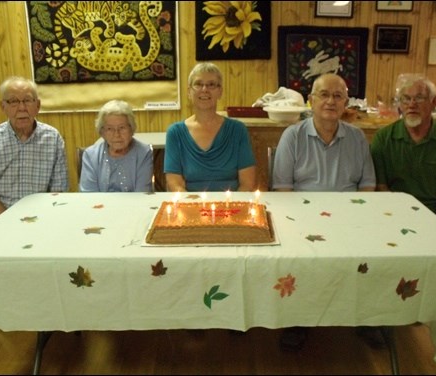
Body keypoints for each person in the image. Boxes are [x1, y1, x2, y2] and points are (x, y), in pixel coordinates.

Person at [272, 73, 376, 351]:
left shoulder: (357, 138)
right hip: (302, 219)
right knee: (301, 259)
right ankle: (297, 319)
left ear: (345, 103)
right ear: (311, 100)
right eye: (324, 95)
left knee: (373, 255)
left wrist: (359, 220)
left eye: (338, 95)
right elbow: (282, 189)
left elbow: (367, 186)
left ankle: (367, 318)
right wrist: (298, 224)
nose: (330, 101)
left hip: (350, 218)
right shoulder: (292, 136)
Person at [371, 74, 436, 234]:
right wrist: (402, 222)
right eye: (405, 99)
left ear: (434, 102)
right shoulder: (383, 138)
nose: (411, 105)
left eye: (419, 98)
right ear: (399, 104)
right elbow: (381, 187)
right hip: (395, 215)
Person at [0, 76, 68, 223]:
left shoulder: (53, 138)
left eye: (28, 100)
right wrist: (11, 221)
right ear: (3, 106)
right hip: (2, 219)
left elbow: (58, 189)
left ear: (38, 105)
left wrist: (43, 219)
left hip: (45, 217)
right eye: (13, 101)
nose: (22, 107)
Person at [164, 62, 256, 192]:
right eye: (198, 84)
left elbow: (247, 183)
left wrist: (229, 209)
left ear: (220, 92)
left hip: (232, 207)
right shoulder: (175, 133)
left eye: (211, 84)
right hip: (190, 206)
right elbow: (175, 184)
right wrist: (195, 208)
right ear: (189, 92)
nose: (204, 89)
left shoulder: (238, 130)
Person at [79, 99, 153, 192]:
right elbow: (89, 195)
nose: (117, 134)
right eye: (110, 129)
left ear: (131, 128)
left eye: (122, 128)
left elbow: (142, 194)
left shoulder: (144, 153)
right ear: (102, 132)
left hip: (134, 206)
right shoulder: (90, 155)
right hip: (99, 206)